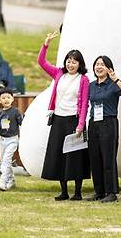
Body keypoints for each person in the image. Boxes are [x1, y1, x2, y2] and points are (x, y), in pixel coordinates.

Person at [38, 31, 90, 201]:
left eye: (74, 62)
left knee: (75, 155)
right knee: (59, 154)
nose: (71, 64)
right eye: (69, 61)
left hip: (74, 120)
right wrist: (46, 45)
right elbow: (41, 62)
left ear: (79, 63)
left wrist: (81, 124)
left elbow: (84, 104)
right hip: (58, 119)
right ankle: (64, 191)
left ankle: (78, 192)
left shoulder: (83, 80)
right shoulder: (59, 74)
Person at [86, 55, 121, 203]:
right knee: (95, 158)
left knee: (108, 158)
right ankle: (98, 191)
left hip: (108, 122)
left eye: (102, 64)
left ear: (108, 68)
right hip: (93, 122)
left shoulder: (113, 84)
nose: (99, 67)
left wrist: (116, 79)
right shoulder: (91, 85)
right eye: (97, 64)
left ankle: (111, 192)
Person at [0, 87, 23, 191]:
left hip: (13, 139)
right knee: (4, 162)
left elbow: (22, 123)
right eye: (3, 98)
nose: (6, 100)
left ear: (12, 99)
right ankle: (11, 180)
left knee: (6, 160)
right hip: (2, 140)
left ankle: (2, 182)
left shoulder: (15, 112)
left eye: (8, 97)